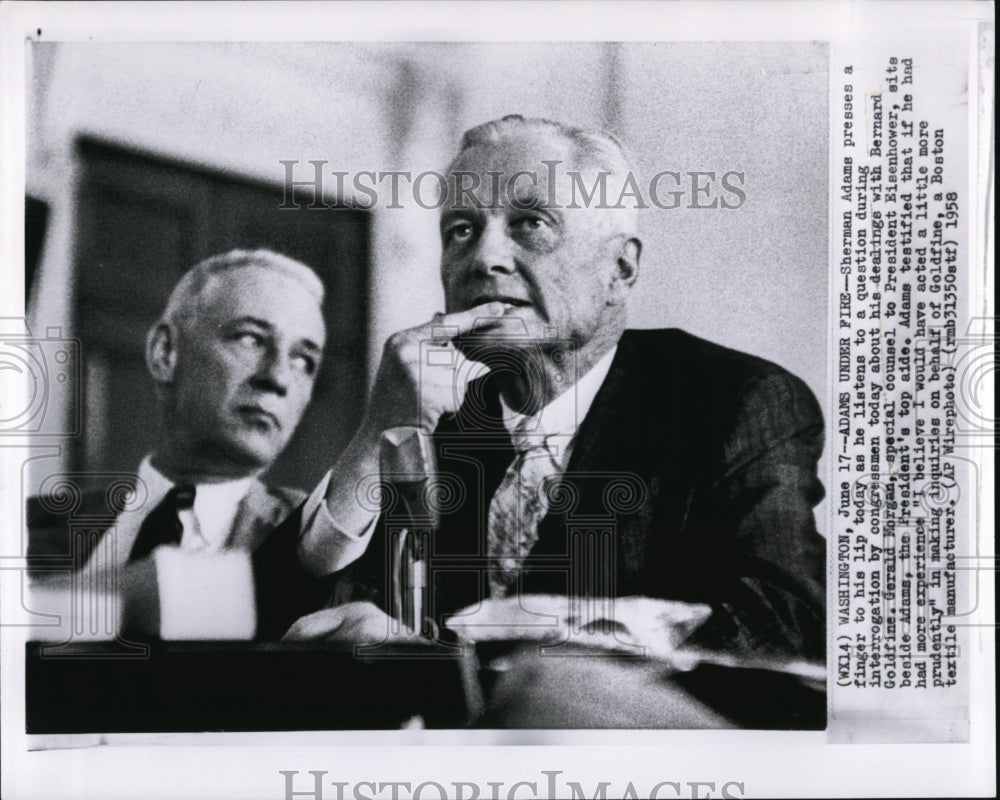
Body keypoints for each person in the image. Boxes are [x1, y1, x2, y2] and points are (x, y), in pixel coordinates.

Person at [259, 115, 826, 664]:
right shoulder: (439, 428)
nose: (484, 258)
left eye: (531, 223)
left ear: (620, 269)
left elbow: (782, 627)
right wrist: (373, 437)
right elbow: (266, 621)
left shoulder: (736, 403)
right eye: (461, 231)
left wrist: (466, 642)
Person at [28, 248, 327, 638]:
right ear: (165, 353)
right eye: (251, 339)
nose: (279, 378)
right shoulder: (28, 526)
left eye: (304, 360)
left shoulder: (316, 545)